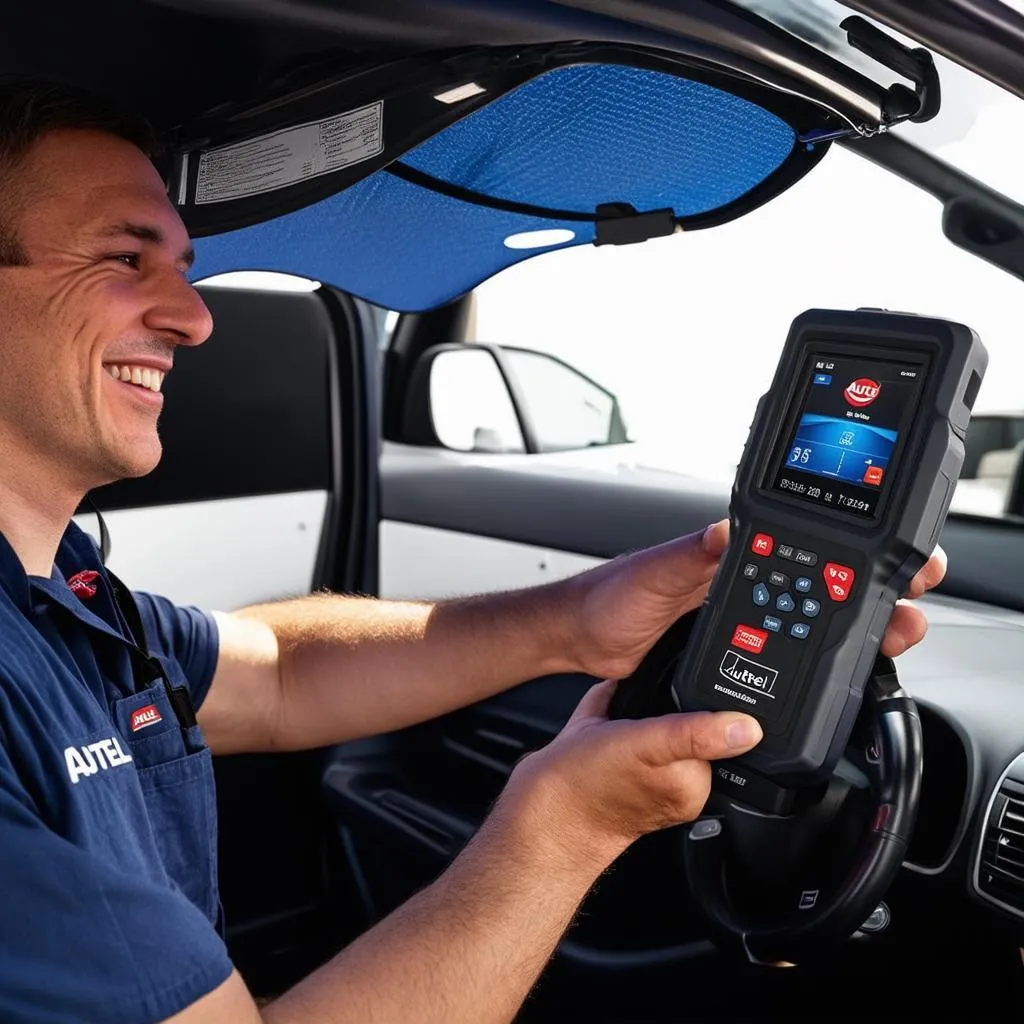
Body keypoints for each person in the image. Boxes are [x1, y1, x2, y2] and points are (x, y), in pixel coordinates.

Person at [0, 77, 945, 1024]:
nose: (197, 317)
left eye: (185, 268)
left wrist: (579, 621)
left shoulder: (63, 589)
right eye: (126, 257)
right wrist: (569, 828)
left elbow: (278, 672)